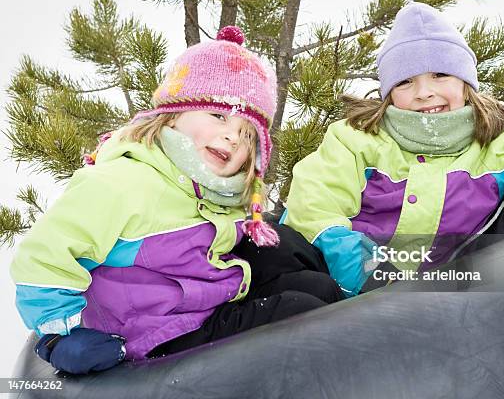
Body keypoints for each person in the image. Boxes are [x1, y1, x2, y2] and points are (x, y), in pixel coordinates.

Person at [10, 26, 342, 375]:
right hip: (150, 335)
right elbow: (42, 258)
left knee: (314, 286)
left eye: (247, 135)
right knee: (298, 310)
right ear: (175, 112)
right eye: (218, 115)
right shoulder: (121, 183)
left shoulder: (209, 189)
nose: (231, 135)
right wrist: (59, 337)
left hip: (199, 308)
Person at [276, 2, 504, 297]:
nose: (424, 92)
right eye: (405, 81)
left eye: (440, 74)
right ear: (389, 94)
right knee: (284, 253)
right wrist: (371, 274)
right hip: (345, 296)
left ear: (466, 84)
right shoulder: (355, 141)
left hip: (448, 304)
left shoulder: (499, 149)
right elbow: (313, 210)